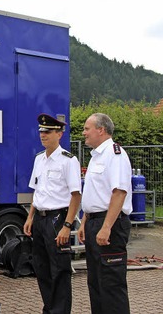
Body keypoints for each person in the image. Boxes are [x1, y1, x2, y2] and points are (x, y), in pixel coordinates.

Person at [23, 113, 82, 314]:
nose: (43, 135)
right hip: (40, 217)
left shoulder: (68, 160)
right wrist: (30, 217)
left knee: (60, 270)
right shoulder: (39, 159)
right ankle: (49, 308)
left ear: (59, 133)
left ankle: (60, 311)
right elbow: (36, 191)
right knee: (41, 268)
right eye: (41, 131)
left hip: (58, 219)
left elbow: (76, 195)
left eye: (47, 131)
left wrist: (67, 225)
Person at [77, 113, 132, 314]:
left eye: (86, 128)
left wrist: (106, 227)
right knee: (96, 284)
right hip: (94, 222)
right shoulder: (97, 156)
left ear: (101, 130)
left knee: (111, 285)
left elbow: (119, 192)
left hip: (110, 224)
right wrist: (84, 222)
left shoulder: (114, 154)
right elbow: (95, 196)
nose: (83, 132)